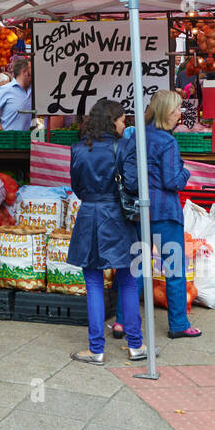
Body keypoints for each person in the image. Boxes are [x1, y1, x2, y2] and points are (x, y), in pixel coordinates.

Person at [68, 99, 145, 362]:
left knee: (93, 284)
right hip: (119, 218)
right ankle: (136, 346)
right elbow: (133, 185)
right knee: (128, 281)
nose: (126, 124)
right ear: (112, 121)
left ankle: (96, 349)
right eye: (123, 120)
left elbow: (76, 187)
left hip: (89, 215)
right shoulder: (125, 147)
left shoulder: (78, 149)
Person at [120, 89, 199, 339]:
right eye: (177, 109)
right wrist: (186, 171)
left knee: (134, 268)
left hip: (138, 211)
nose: (180, 113)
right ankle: (178, 324)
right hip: (165, 212)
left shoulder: (135, 136)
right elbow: (173, 180)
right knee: (174, 270)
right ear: (166, 112)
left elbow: (130, 179)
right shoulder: (168, 142)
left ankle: (122, 321)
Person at [0, 57, 33, 131]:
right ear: (24, 72)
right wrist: (2, 133)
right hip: (10, 139)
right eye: (32, 71)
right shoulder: (5, 89)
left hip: (29, 139)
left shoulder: (33, 91)